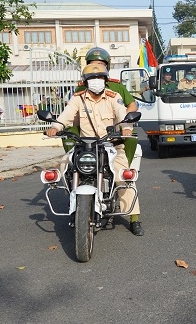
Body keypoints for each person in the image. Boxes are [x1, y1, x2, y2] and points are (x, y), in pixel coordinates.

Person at [46, 63, 144, 236]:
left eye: (99, 78)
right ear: (85, 81)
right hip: (84, 146)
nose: (96, 81)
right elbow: (66, 115)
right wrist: (55, 126)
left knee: (124, 176)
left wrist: (126, 127)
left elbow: (122, 114)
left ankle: (134, 218)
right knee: (63, 166)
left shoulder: (113, 97)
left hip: (110, 145)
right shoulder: (78, 98)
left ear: (105, 80)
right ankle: (74, 200)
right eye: (92, 78)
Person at [75, 47, 139, 169]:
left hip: (112, 126)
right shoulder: (81, 88)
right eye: (92, 64)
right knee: (69, 132)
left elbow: (132, 105)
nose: (96, 68)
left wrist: (121, 122)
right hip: (88, 126)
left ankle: (125, 172)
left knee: (131, 136)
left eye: (100, 64)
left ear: (107, 67)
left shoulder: (116, 86)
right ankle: (75, 165)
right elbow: (73, 110)